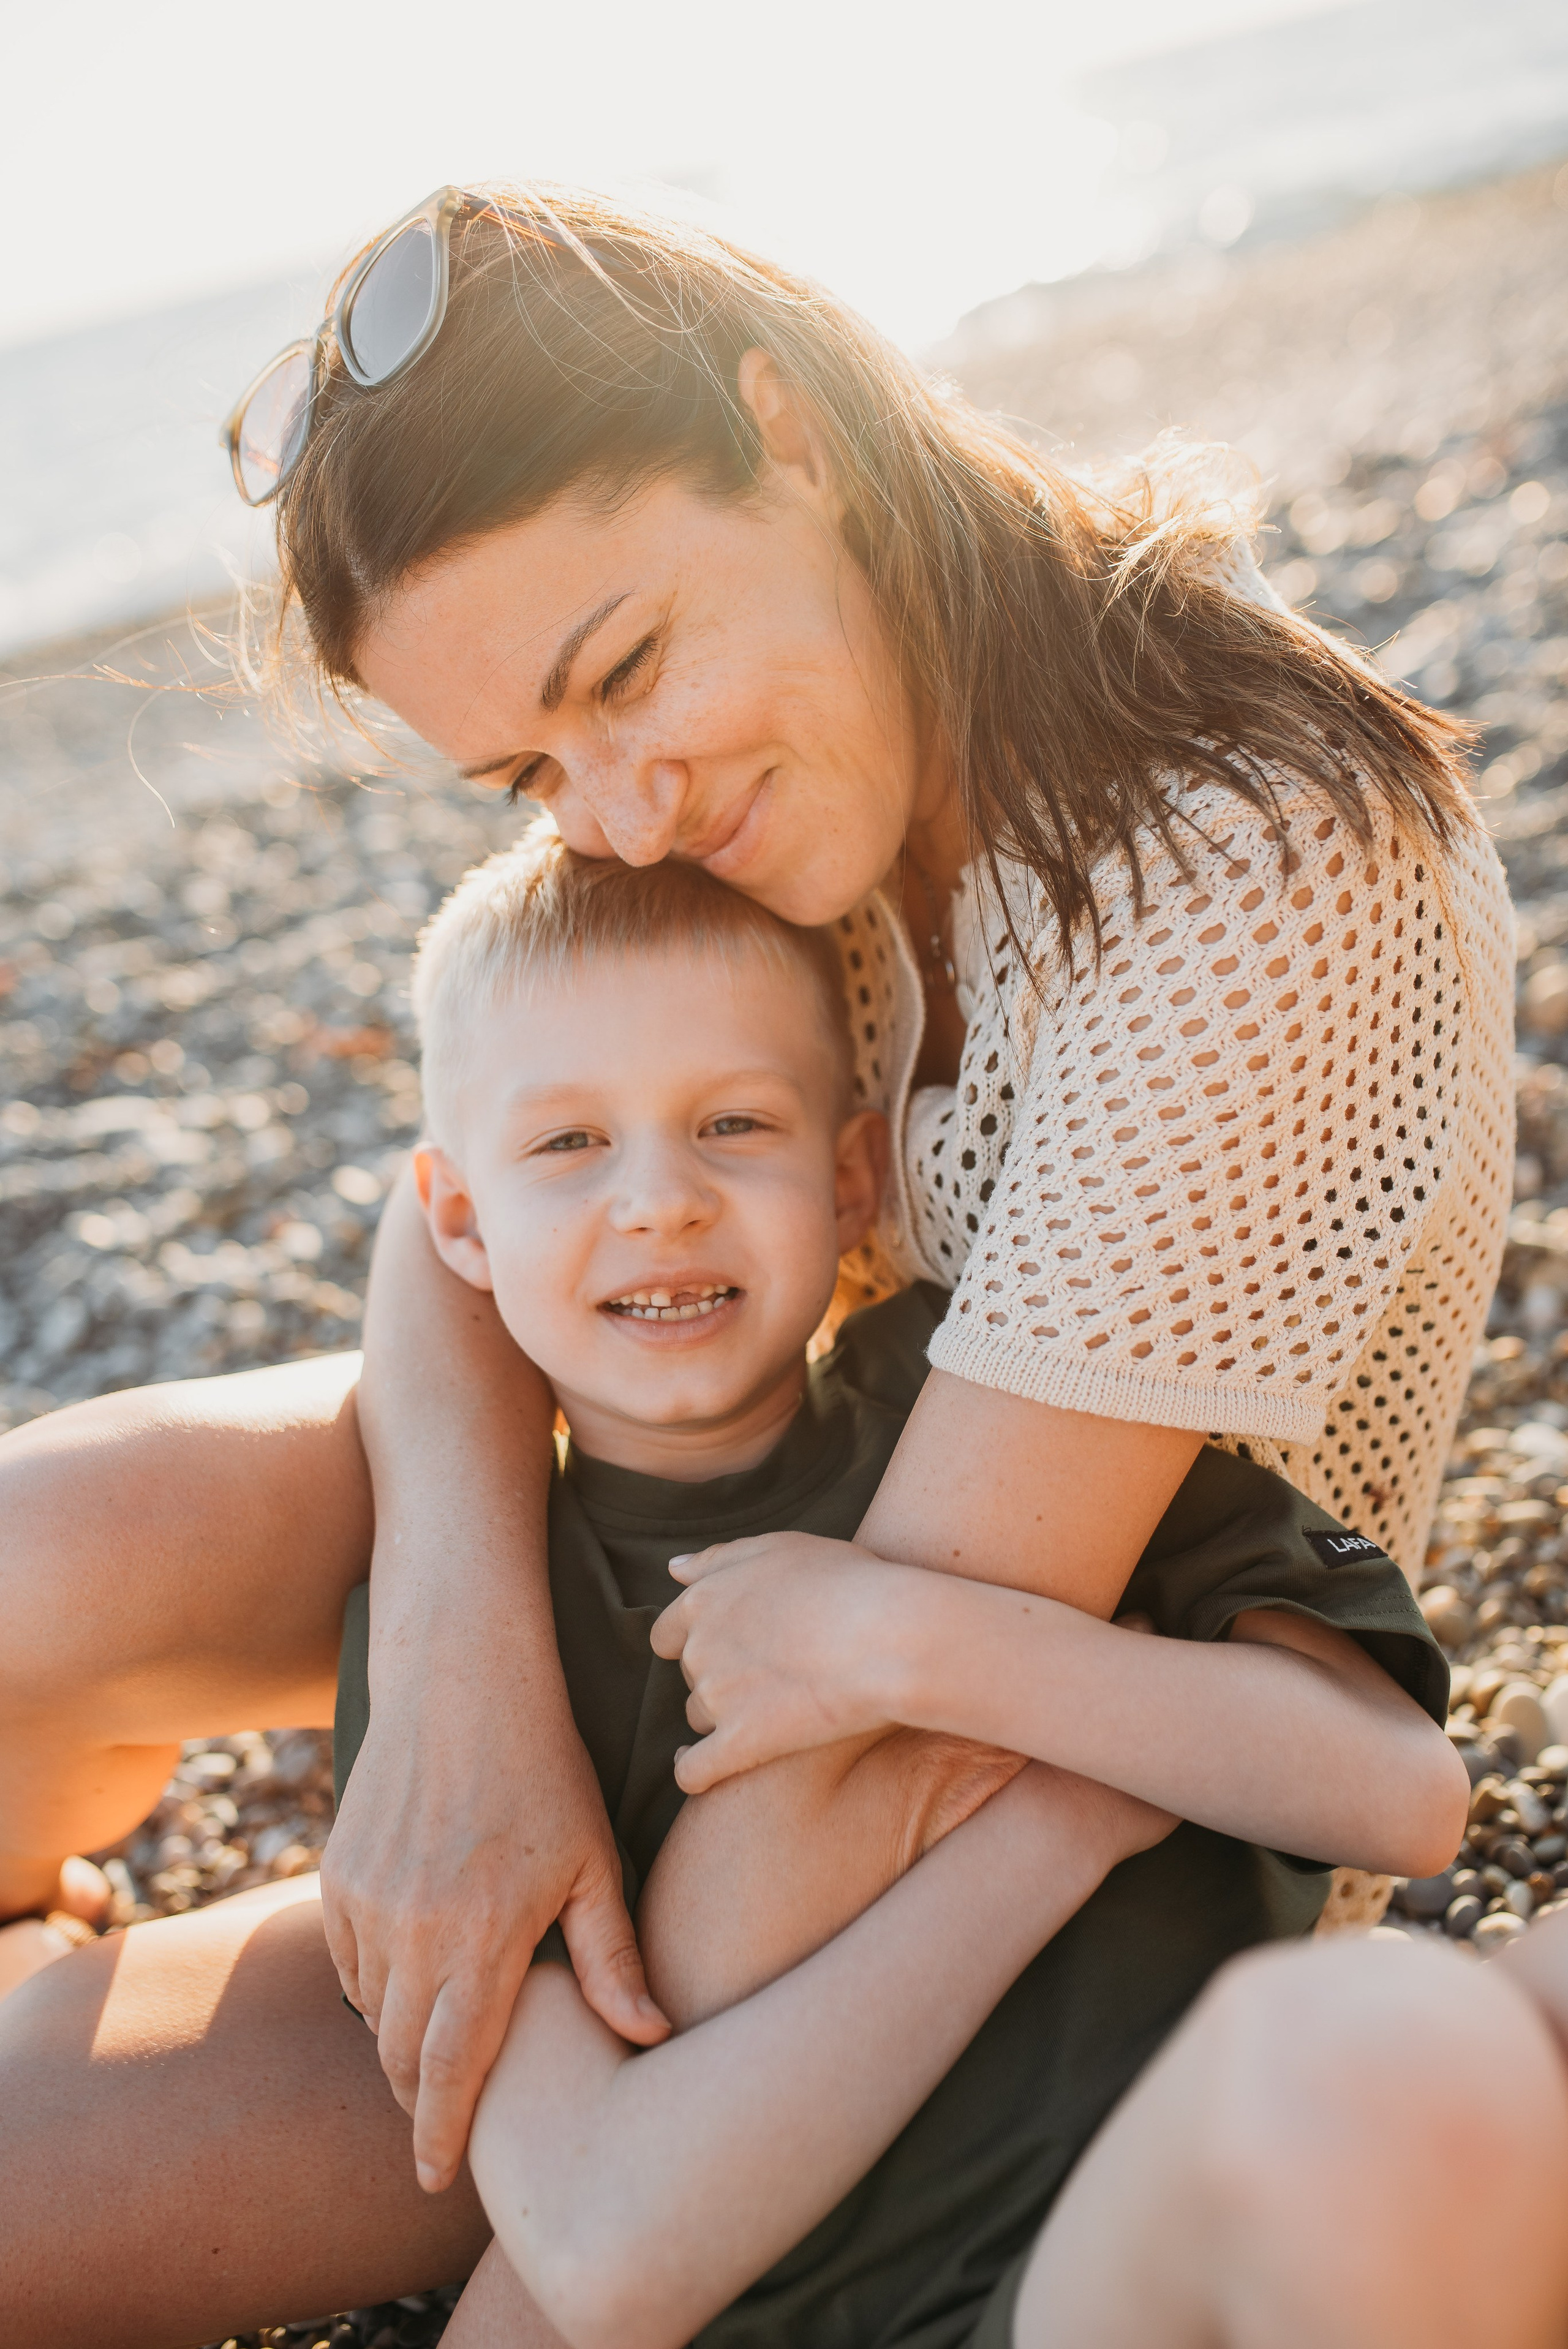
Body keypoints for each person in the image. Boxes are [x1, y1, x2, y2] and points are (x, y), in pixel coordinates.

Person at [0, 176, 1522, 2336]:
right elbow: (453, 1189)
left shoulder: (1245, 880)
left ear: (788, 425)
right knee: (36, 1552)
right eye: (527, 764)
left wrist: (525, 1996)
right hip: (726, 1499)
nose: (610, 814)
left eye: (620, 673)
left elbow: (878, 1748)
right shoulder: (777, 745)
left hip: (960, 1789)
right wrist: (459, 1662)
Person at [0, 823, 1455, 2346]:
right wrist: (1054, 1821)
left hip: (1133, 2237)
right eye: (568, 1144)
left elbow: (1398, 1799)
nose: (659, 1201)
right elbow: (597, 2242)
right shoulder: (468, 1650)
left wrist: (933, 1646)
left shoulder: (999, 1412)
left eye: (732, 1126)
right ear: (454, 1223)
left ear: (847, 1176)